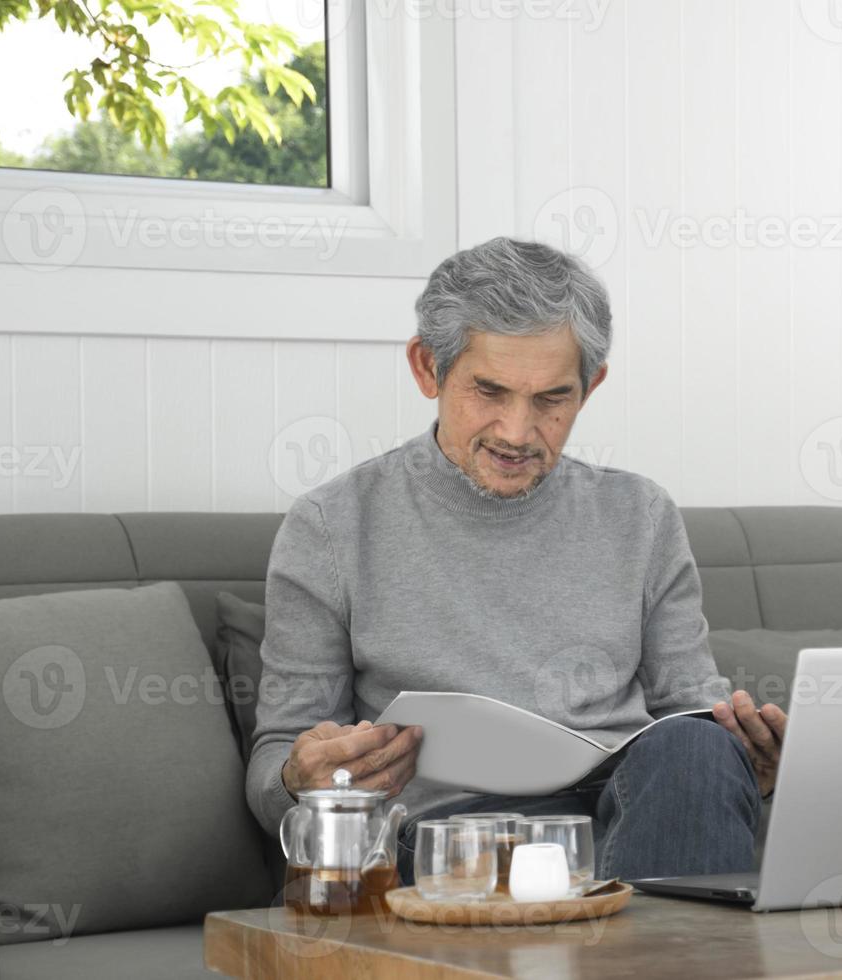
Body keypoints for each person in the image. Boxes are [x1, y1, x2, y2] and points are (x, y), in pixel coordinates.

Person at [246, 237, 787, 881]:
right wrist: (301, 775)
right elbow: (275, 768)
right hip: (453, 836)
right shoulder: (333, 526)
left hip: (626, 812)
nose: (516, 432)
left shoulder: (640, 515)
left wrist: (746, 765)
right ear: (428, 369)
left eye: (551, 399)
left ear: (590, 388)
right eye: (490, 391)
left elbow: (693, 713)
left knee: (699, 748)